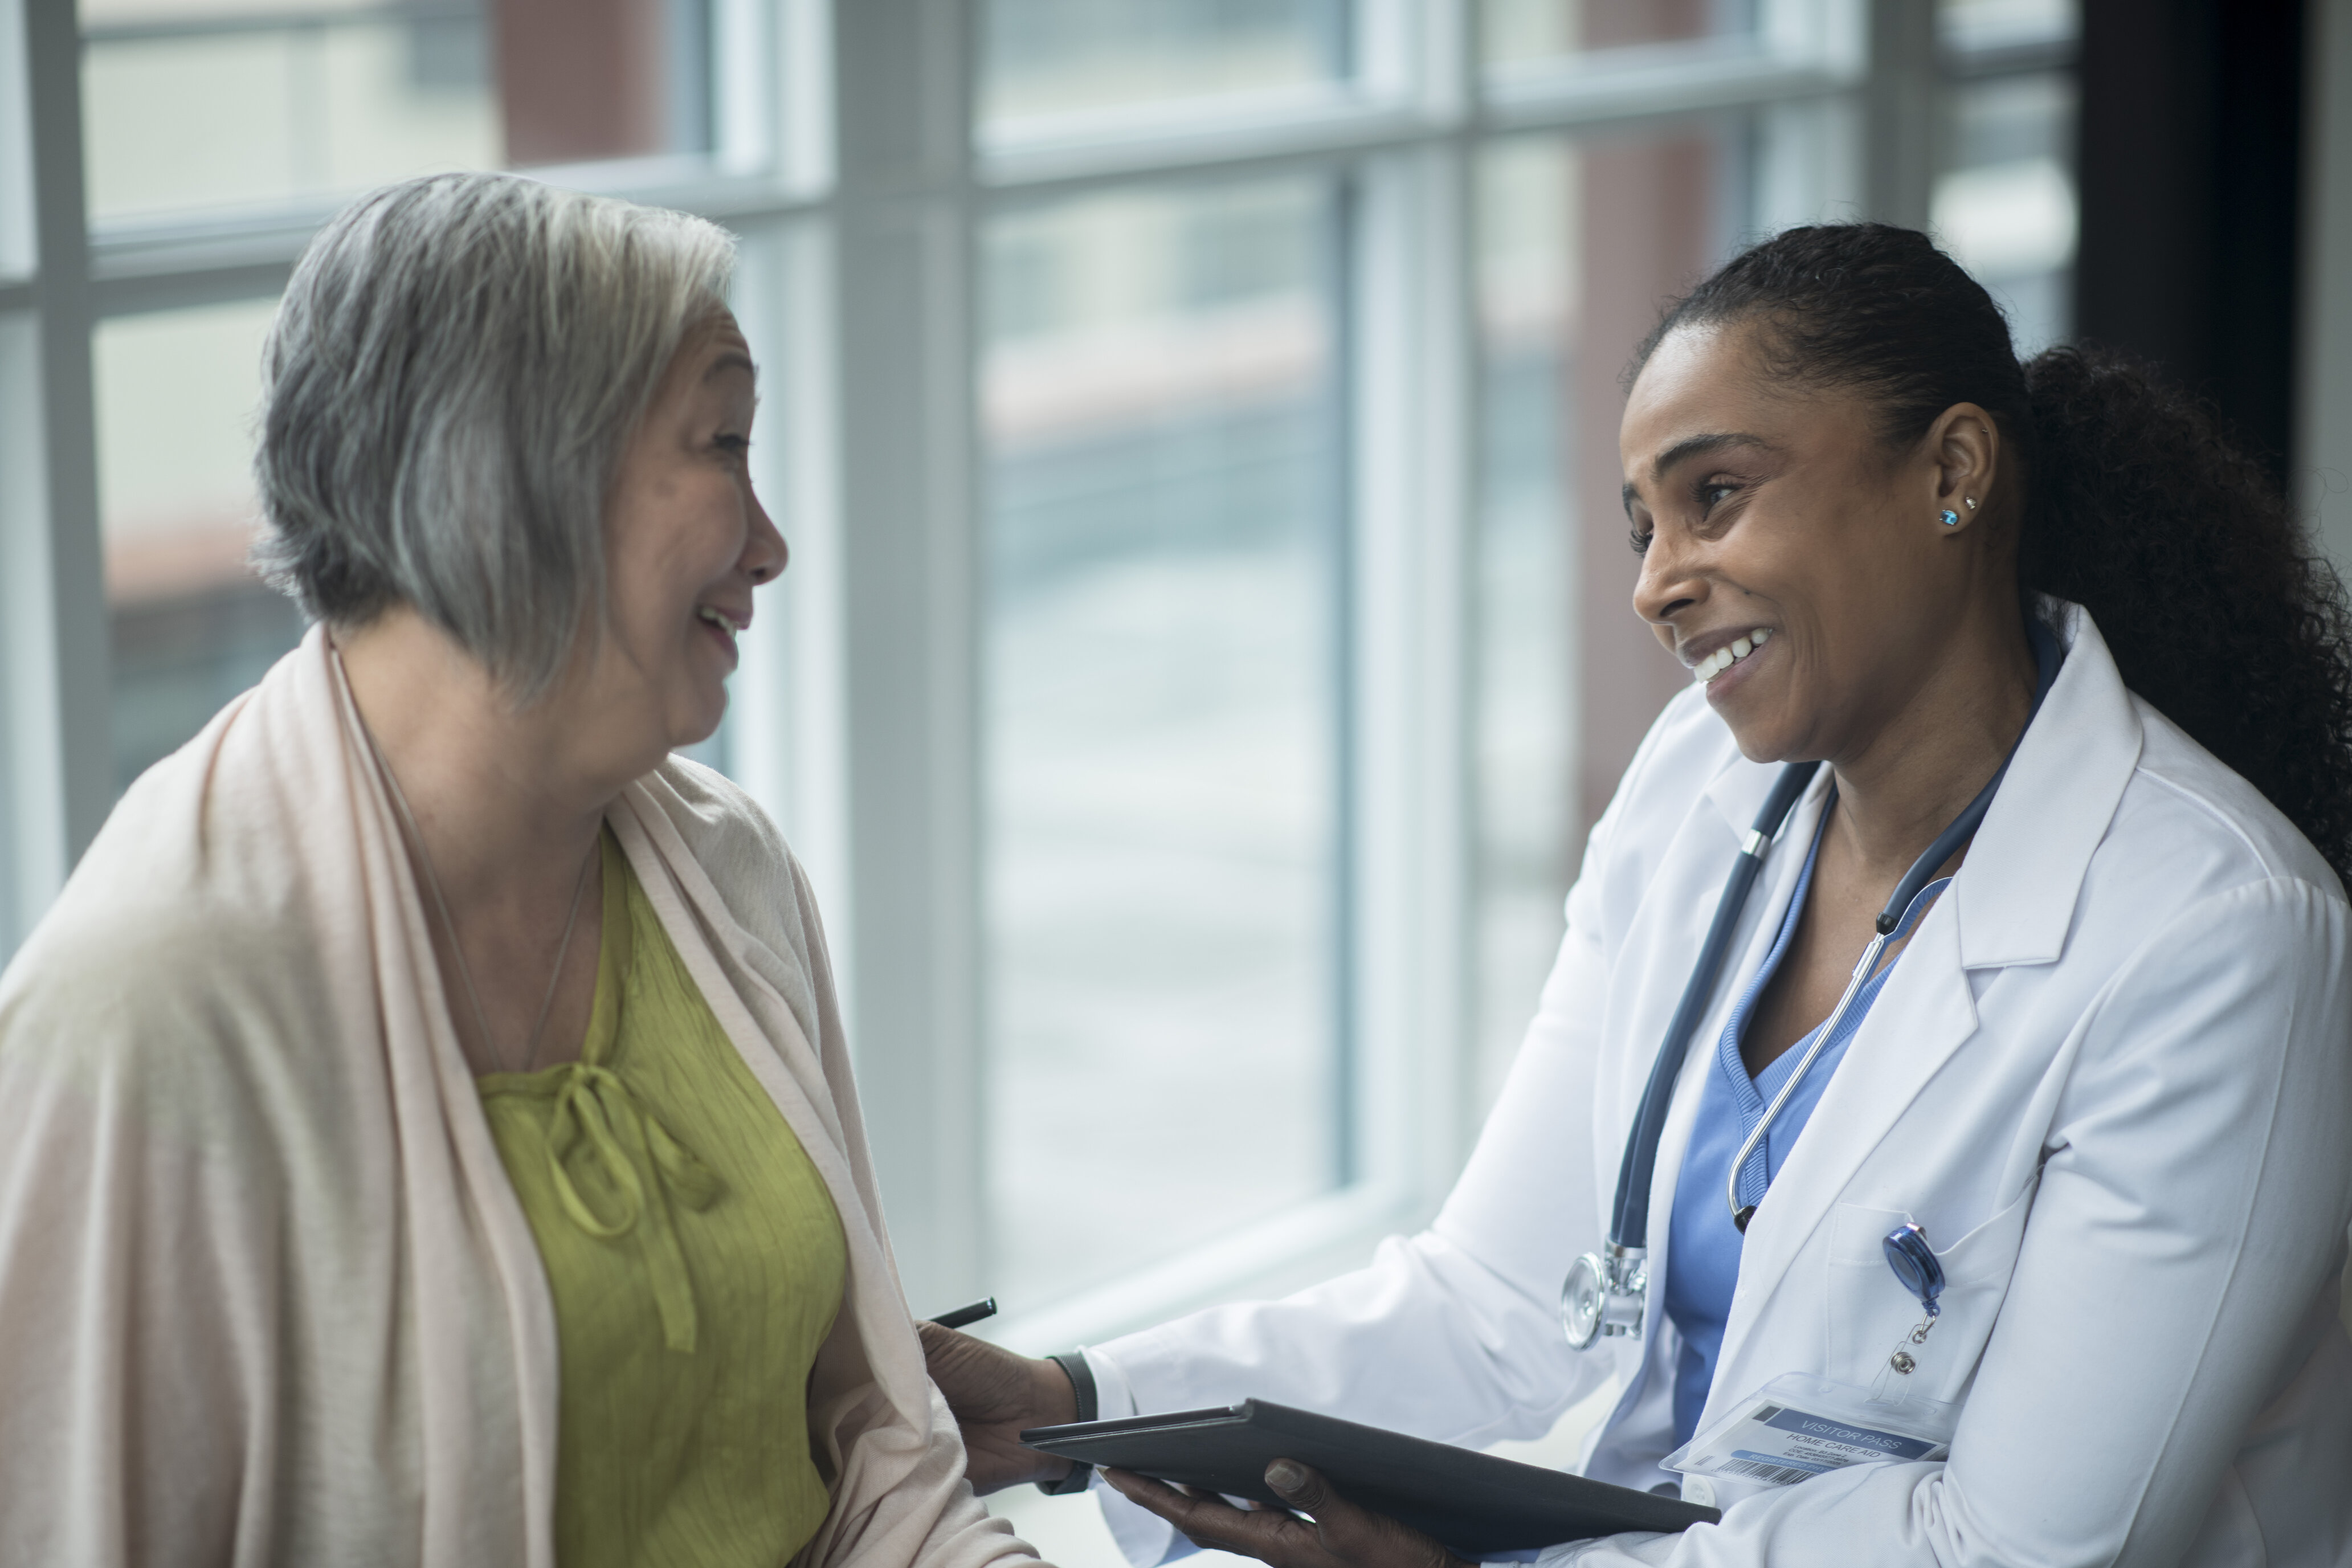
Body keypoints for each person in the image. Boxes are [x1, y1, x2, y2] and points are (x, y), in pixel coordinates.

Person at [924, 223, 2352, 1567]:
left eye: (1714, 496)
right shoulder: (1698, 795)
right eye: (1640, 528)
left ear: (1952, 471)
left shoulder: (2216, 936)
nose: (1658, 585)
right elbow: (1494, 1304)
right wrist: (1066, 1400)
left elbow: (2019, 1545)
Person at [0, 173, 1039, 1568]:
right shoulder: (151, 998)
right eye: (725, 443)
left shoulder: (730, 873)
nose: (772, 545)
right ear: (509, 473)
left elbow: (879, 1459)